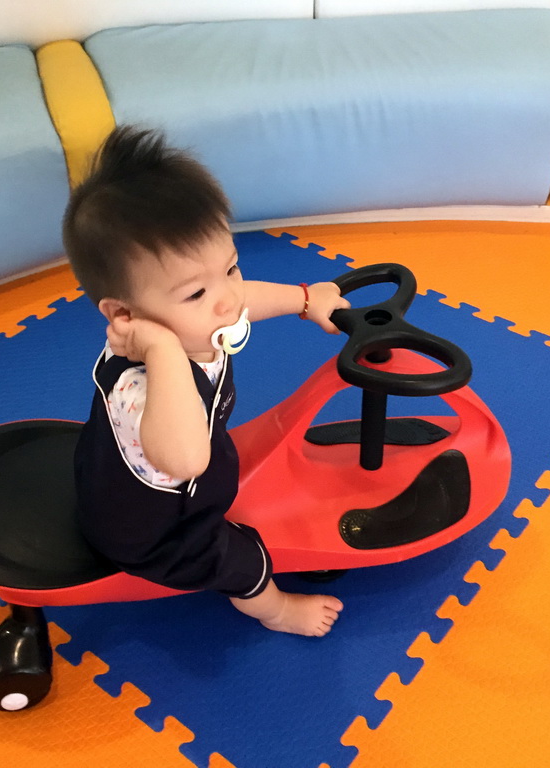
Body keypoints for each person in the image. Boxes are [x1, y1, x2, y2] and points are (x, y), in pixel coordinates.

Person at [62, 125, 348, 636]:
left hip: (119, 475)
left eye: (231, 267)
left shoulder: (198, 317)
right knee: (237, 557)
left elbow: (243, 302)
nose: (226, 299)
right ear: (125, 314)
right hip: (151, 528)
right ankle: (274, 609)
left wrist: (306, 299)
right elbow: (188, 459)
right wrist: (163, 351)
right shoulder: (144, 381)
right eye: (195, 293)